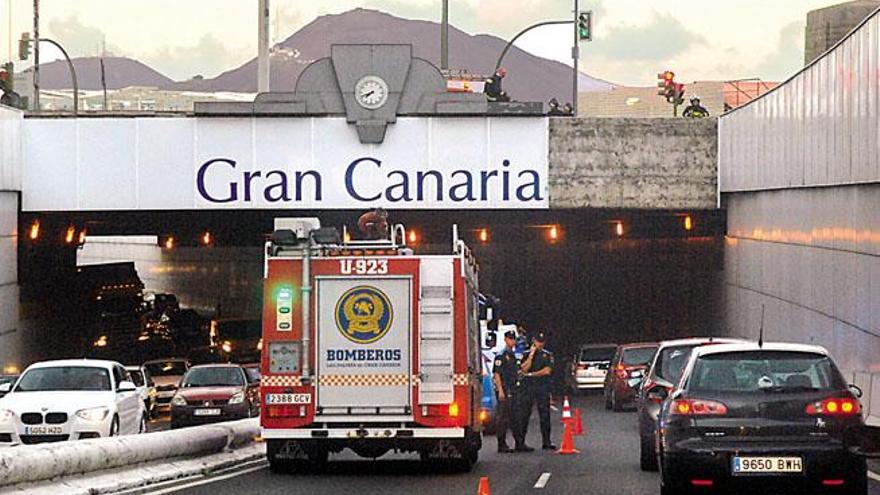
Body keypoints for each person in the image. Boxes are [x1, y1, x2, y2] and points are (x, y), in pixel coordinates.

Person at [518, 332, 556, 450]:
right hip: (527, 388)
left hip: (542, 387)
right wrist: (531, 355)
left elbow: (547, 371)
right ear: (533, 341)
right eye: (538, 341)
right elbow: (522, 369)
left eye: (542, 342)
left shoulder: (547, 355)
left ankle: (546, 441)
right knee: (524, 415)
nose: (540, 344)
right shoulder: (525, 354)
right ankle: (521, 442)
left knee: (544, 415)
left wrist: (531, 374)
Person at [492, 330, 523, 453]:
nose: (512, 341)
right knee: (503, 418)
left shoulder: (512, 355)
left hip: (513, 389)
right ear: (505, 339)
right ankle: (501, 443)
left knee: (515, 417)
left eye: (513, 339)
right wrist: (500, 390)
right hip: (504, 389)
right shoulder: (501, 355)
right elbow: (497, 374)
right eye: (510, 339)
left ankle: (519, 443)